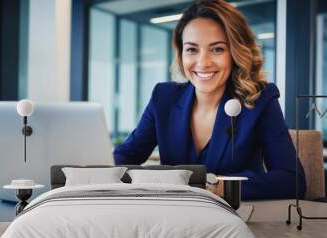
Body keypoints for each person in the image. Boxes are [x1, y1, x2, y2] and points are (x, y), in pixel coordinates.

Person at [113, 0, 306, 200]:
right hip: (172, 217)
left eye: (217, 49)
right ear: (181, 53)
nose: (203, 62)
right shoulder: (164, 98)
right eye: (192, 49)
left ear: (235, 53)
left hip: (233, 221)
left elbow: (292, 181)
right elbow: (124, 157)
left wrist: (215, 188)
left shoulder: (259, 100)